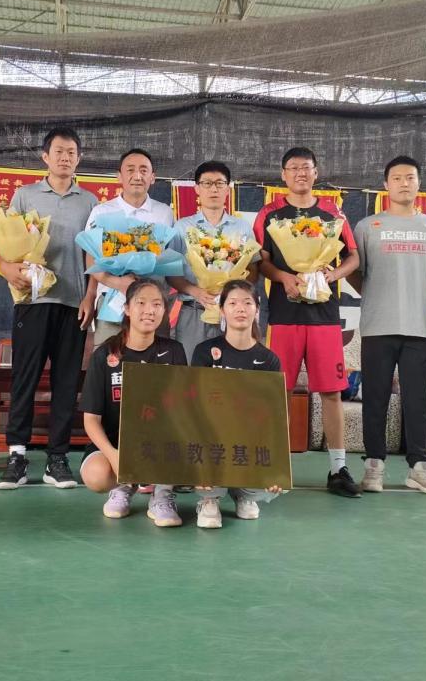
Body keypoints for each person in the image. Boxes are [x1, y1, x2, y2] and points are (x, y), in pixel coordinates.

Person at [253, 146, 362, 498]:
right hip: (283, 315)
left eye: (306, 167)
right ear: (283, 174)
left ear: (316, 173)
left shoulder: (333, 212)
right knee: (279, 391)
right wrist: (283, 277)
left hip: (324, 316)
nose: (300, 173)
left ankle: (338, 468)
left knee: (331, 391)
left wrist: (332, 276)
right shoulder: (269, 214)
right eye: (293, 168)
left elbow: (353, 257)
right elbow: (260, 260)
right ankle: (275, 466)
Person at [0, 127, 98, 491]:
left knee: (66, 384)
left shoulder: (90, 202)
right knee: (24, 379)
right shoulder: (24, 196)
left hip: (74, 304)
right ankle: (17, 456)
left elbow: (94, 255)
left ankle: (58, 459)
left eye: (71, 152)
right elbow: (5, 247)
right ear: (45, 157)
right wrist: (9, 271)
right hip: (33, 303)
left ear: (78, 159)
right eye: (59, 151)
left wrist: (90, 297)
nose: (65, 157)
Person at [351, 155, 426, 495]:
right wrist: (376, 293)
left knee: (417, 401)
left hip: (420, 328)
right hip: (377, 327)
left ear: (419, 184)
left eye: (410, 177)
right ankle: (373, 466)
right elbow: (354, 272)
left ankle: (419, 468)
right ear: (386, 185)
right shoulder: (367, 227)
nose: (404, 183)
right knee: (374, 399)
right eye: (397, 178)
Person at [79, 278, 188, 526]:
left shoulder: (174, 351)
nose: (149, 310)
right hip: (116, 444)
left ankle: (162, 495)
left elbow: (183, 410)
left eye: (157, 304)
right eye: (141, 303)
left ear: (164, 310)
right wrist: (114, 456)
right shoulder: (105, 355)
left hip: (161, 444)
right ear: (127, 308)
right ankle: (123, 487)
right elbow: (91, 419)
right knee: (97, 476)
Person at [190, 279, 284, 528]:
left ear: (257, 309)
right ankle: (209, 499)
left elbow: (274, 418)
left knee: (268, 483)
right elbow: (193, 409)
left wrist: (276, 466)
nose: (240, 308)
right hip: (212, 440)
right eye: (232, 303)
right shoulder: (204, 352)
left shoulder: (269, 360)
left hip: (248, 442)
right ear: (222, 310)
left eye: (247, 303)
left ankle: (244, 493)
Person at [167, 160, 259, 361]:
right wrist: (195, 291)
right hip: (193, 310)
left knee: (232, 369)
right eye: (207, 183)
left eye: (219, 183)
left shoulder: (242, 227)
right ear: (197, 188)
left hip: (231, 313)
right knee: (190, 370)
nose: (214, 189)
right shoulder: (182, 227)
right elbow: (171, 272)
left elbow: (253, 269)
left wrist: (232, 293)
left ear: (228, 188)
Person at [83, 148, 174, 347]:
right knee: (109, 356)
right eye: (130, 170)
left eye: (144, 170)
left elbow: (169, 258)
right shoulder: (101, 212)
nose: (137, 176)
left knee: (154, 358)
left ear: (152, 177)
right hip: (113, 301)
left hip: (153, 303)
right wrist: (117, 283)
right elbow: (91, 259)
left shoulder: (165, 213)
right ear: (119, 176)